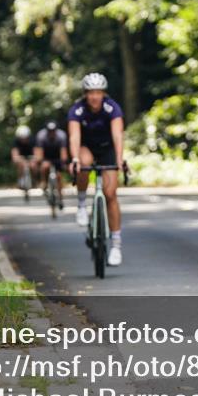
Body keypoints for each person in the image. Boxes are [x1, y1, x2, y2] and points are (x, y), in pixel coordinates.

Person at [67, 72, 127, 266]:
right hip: (86, 148)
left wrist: (119, 160)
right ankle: (82, 204)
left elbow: (118, 135)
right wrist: (74, 158)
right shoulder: (77, 110)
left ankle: (116, 246)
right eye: (91, 92)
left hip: (107, 149)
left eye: (98, 92)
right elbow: (74, 136)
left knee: (111, 195)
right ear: (85, 94)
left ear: (104, 93)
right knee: (83, 164)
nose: (94, 96)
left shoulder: (112, 108)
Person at [34, 120, 69, 209]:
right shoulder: (41, 136)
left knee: (59, 176)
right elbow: (39, 153)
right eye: (50, 131)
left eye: (53, 131)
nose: (52, 133)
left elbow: (63, 152)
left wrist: (64, 163)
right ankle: (44, 183)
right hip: (46, 157)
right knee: (45, 167)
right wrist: (40, 161)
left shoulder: (61, 136)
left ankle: (60, 198)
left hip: (57, 157)